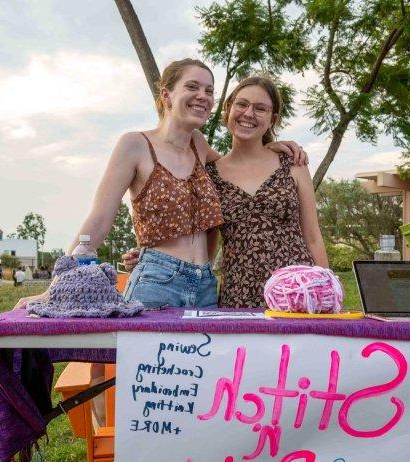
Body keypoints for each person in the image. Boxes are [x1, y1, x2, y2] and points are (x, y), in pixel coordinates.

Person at [12, 58, 305, 462]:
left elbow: (244, 161)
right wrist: (65, 278)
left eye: (209, 90)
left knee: (198, 420)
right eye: (193, 87)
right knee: (147, 422)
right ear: (165, 93)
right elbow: (100, 217)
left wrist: (279, 144)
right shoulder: (135, 145)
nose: (203, 96)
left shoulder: (203, 149)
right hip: (156, 288)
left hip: (208, 291)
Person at [124, 75, 328, 307]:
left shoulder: (292, 163)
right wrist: (149, 259)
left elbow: (313, 237)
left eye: (260, 108)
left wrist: (327, 292)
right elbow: (201, 240)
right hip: (239, 294)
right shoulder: (209, 173)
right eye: (241, 104)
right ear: (228, 110)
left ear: (272, 119)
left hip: (297, 292)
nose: (249, 113)